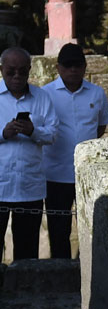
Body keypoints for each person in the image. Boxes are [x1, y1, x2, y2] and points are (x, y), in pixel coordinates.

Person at [42, 43, 108, 259]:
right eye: (68, 65)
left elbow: (101, 126)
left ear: (84, 66)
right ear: (58, 67)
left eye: (77, 65)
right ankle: (61, 270)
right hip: (55, 173)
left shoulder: (96, 93)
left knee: (91, 227)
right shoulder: (46, 94)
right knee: (58, 228)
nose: (73, 70)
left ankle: (90, 269)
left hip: (87, 174)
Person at [0, 47, 58, 261]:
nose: (17, 76)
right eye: (11, 71)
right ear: (1, 70)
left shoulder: (42, 97)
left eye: (22, 71)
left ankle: (24, 291)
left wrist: (33, 131)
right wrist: (3, 133)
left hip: (29, 187)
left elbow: (52, 134)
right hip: (1, 184)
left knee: (27, 251)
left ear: (29, 70)